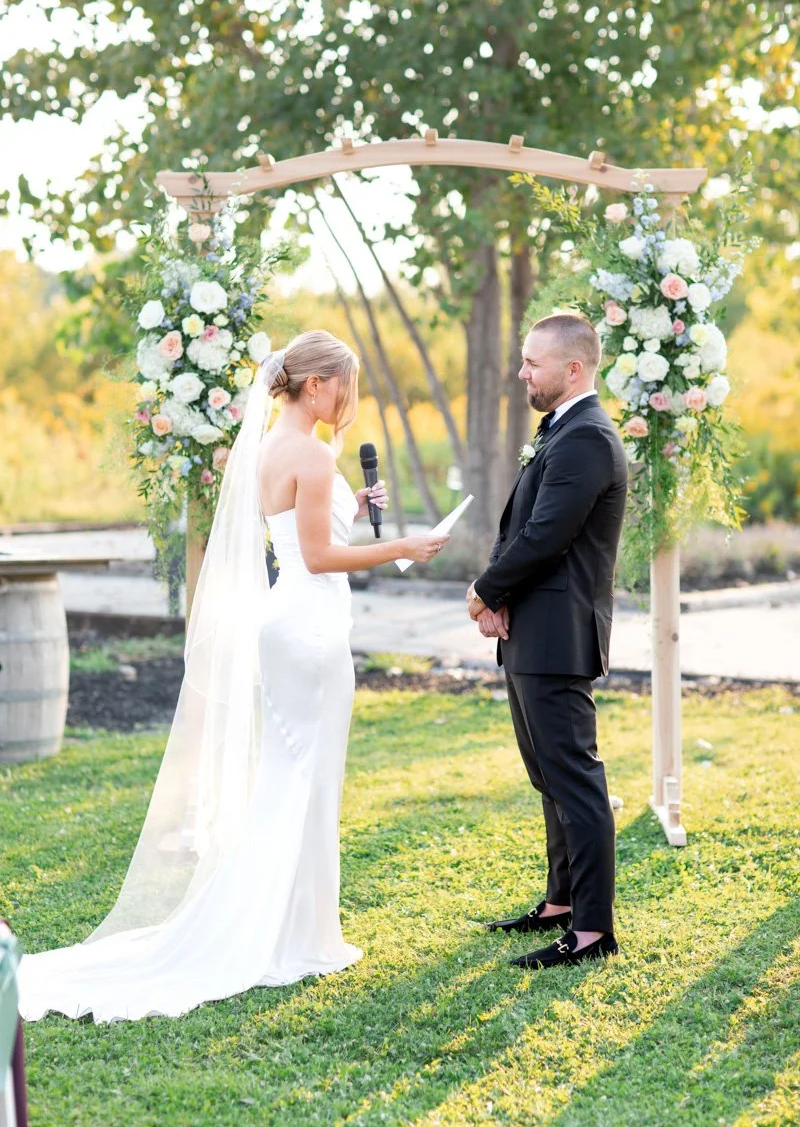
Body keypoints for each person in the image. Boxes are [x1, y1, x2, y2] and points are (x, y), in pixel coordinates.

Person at [18, 330, 448, 1022]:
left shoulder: (277, 447)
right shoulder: (308, 452)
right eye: (346, 384)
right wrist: (402, 544)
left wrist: (358, 513)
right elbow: (314, 557)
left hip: (296, 623)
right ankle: (288, 933)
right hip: (306, 626)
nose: (351, 398)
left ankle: (301, 927)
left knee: (299, 774)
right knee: (304, 776)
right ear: (316, 386)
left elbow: (303, 537)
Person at [466, 313, 628, 969]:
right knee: (549, 776)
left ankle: (591, 931)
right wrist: (502, 598)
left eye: (533, 363)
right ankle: (561, 901)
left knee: (575, 780)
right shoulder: (562, 430)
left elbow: (546, 536)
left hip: (559, 636)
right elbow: (526, 525)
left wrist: (483, 588)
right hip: (534, 629)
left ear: (573, 370)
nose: (521, 372)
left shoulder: (588, 437)